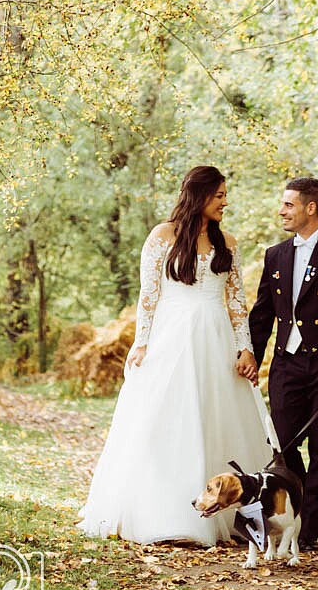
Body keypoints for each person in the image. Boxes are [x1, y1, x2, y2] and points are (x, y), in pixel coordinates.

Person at [78, 166, 277, 546]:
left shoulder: (228, 243)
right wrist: (141, 342)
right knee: (163, 421)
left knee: (215, 418)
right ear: (199, 196)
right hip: (172, 339)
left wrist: (246, 349)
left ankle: (234, 513)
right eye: (219, 195)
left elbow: (237, 302)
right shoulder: (162, 236)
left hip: (217, 339)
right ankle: (163, 512)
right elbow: (148, 295)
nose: (225, 202)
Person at [245, 177, 318, 550]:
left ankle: (308, 531)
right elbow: (262, 313)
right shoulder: (276, 255)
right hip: (286, 364)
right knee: (282, 443)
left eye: (288, 204)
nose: (281, 211)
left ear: (310, 208)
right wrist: (251, 356)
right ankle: (298, 514)